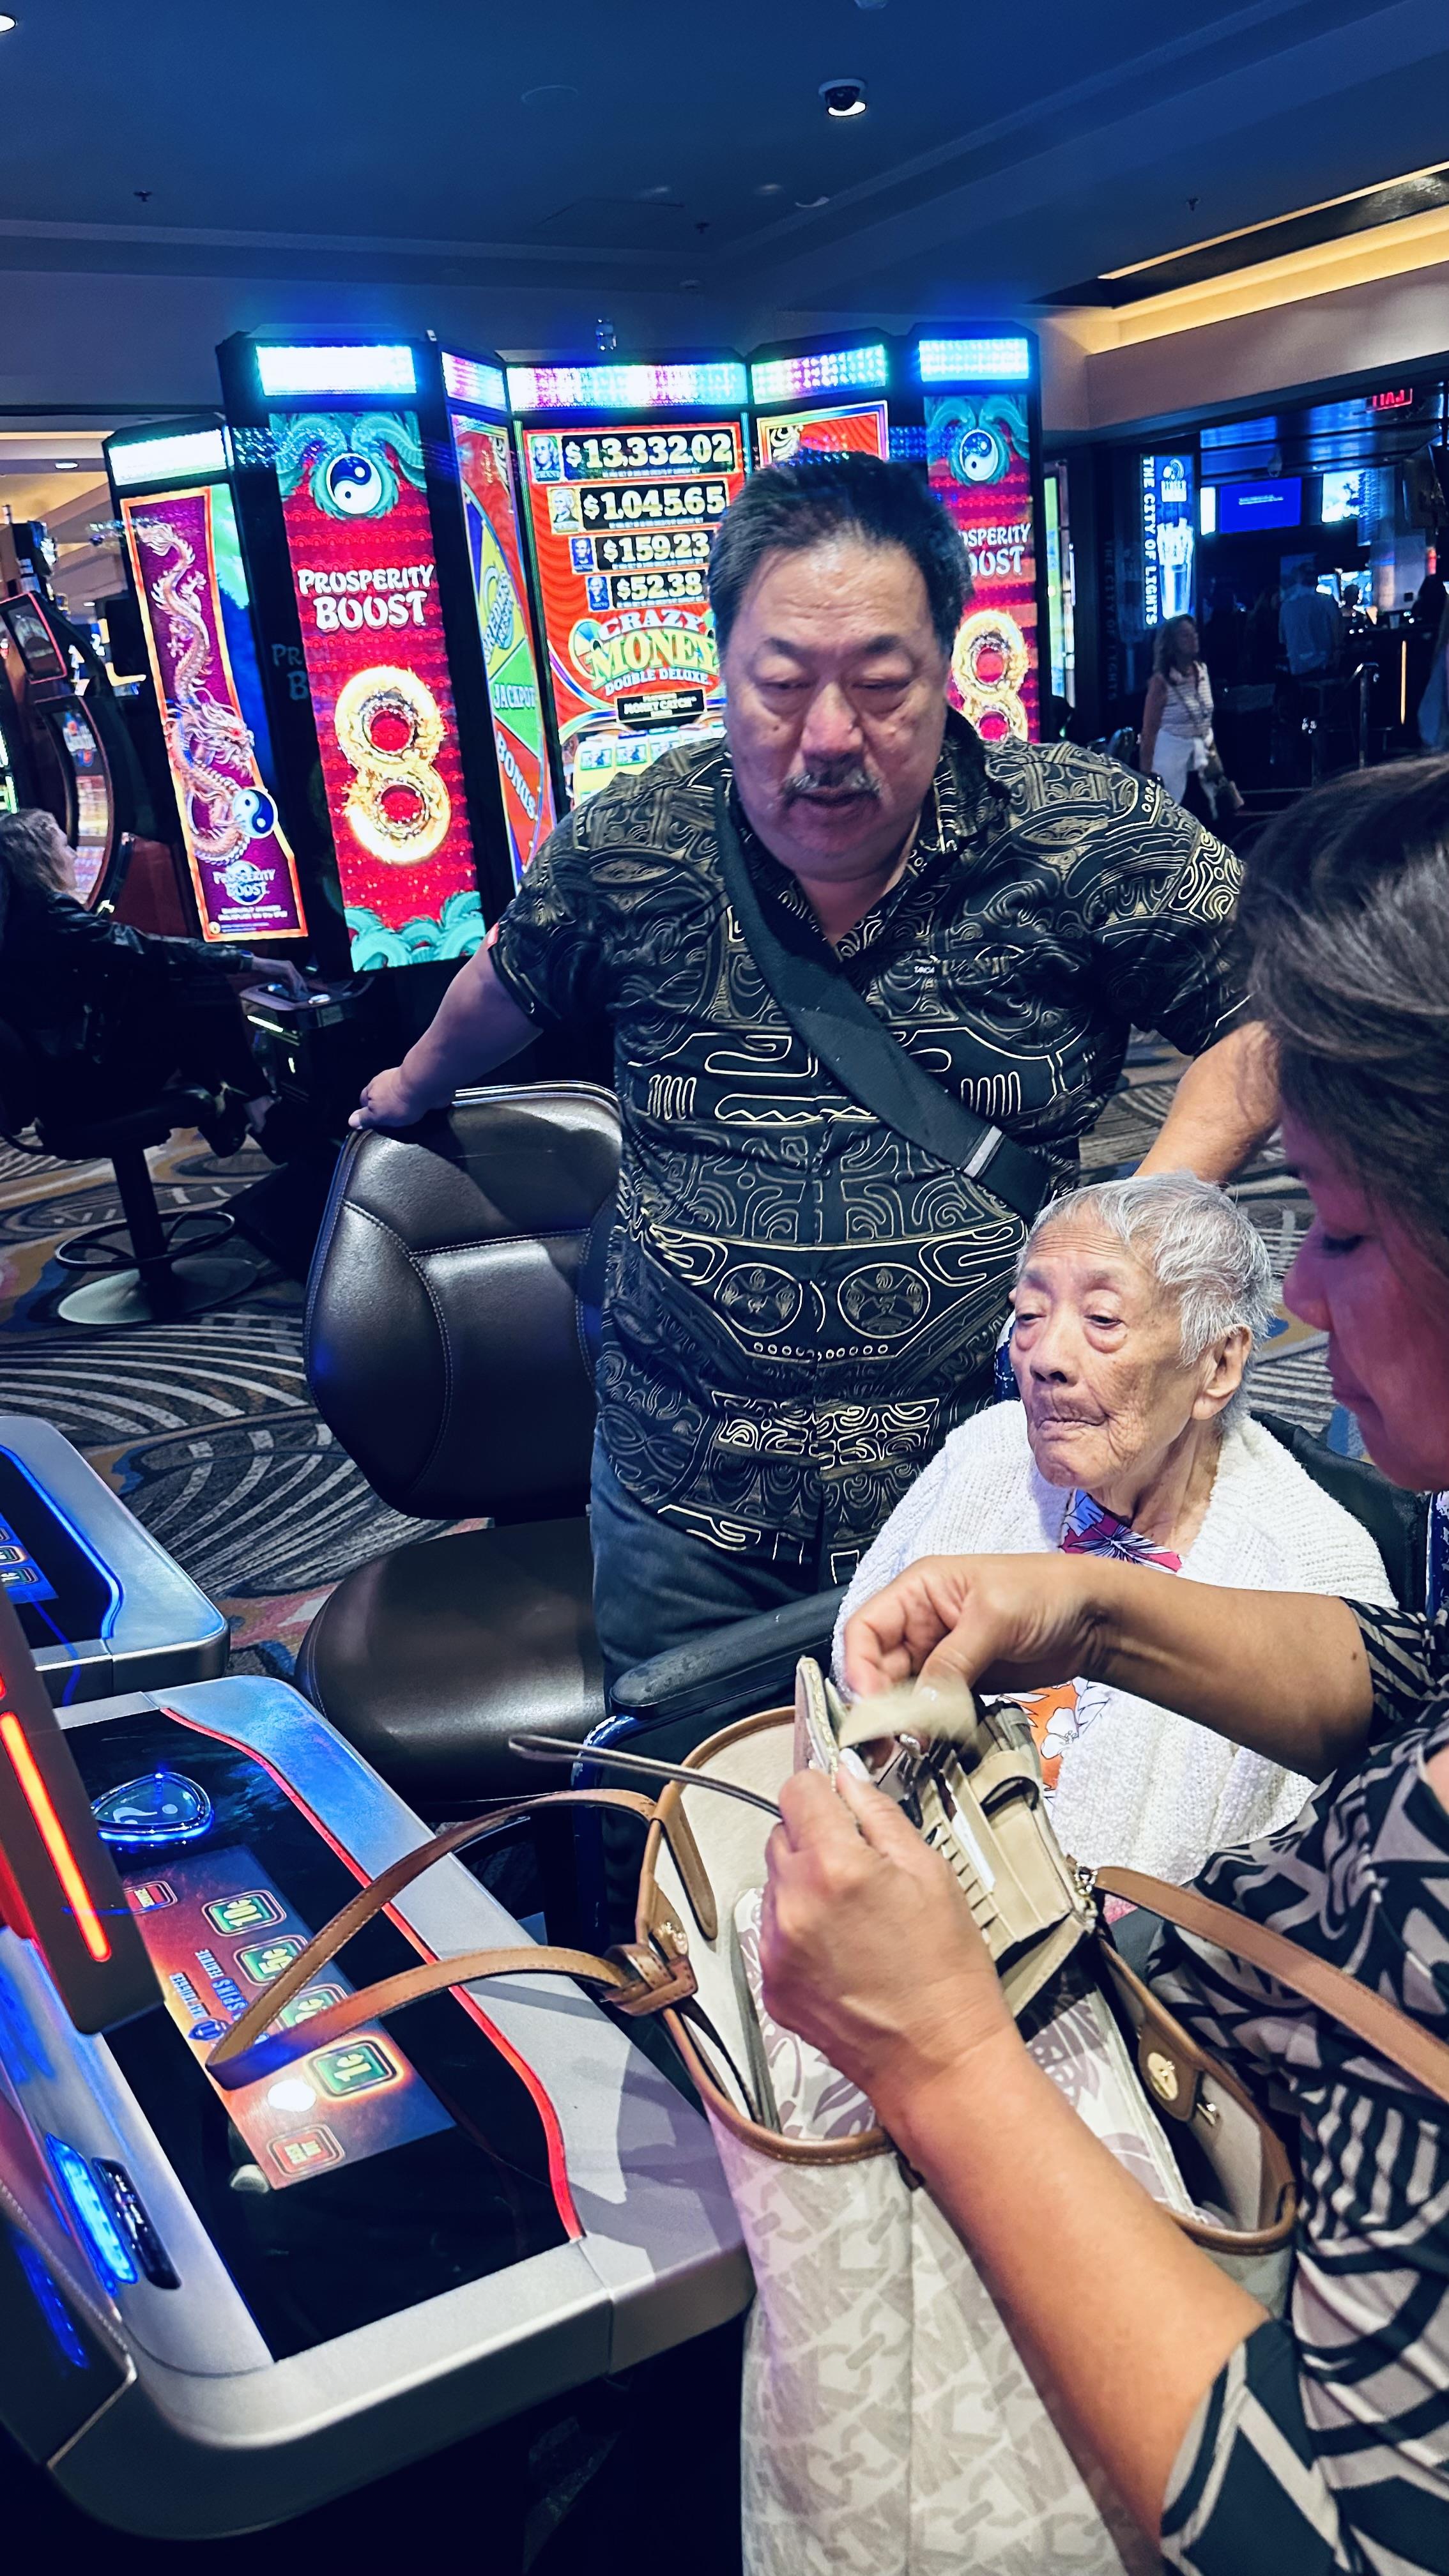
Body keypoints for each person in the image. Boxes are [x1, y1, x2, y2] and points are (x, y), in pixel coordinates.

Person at [761, 754, 1449, 2574]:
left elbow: (1343, 2539)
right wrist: (1094, 1612)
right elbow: (1419, 1675)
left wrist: (942, 2062)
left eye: (1349, 1230)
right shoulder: (1008, 1480)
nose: (1300, 1298)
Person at [352, 456, 1275, 1686]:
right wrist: (409, 1084)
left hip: (999, 1475)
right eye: (780, 686)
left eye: (882, 686)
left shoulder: (1075, 833)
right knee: (699, 1824)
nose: (828, 738)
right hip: (686, 1487)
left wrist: (1140, 1223)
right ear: (722, 672)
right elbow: (508, 982)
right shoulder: (634, 844)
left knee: (981, 1836)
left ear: (949, 670)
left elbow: (1269, 1012)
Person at [834, 1171, 1395, 1882]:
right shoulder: (989, 1451)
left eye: (1103, 1321)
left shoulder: (1314, 1578)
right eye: (1030, 1315)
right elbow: (860, 1656)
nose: (1045, 1359)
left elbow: (1281, 1872)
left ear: (1218, 1364)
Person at [0, 806, 309, 1156]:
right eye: (63, 846)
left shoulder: (18, 917)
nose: (72, 854)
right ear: (41, 857)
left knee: (161, 981)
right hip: (81, 1092)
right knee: (194, 985)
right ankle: (255, 1105)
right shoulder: (51, 915)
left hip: (59, 1088)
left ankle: (233, 1102)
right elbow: (146, 947)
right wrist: (254, 962)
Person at [1138, 616, 1218, 810]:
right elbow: (1149, 732)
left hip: (1201, 762)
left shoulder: (1202, 672)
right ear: (1172, 643)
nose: (1193, 639)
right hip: (1171, 764)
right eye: (1185, 635)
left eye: (1194, 634)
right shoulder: (1162, 682)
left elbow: (1205, 721)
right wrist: (1146, 778)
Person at [1278, 561, 1342, 677]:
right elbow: (1336, 626)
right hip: (1323, 662)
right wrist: (1337, 649)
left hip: (1297, 664)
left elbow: (1283, 638)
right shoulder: (1326, 601)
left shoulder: (1286, 606)